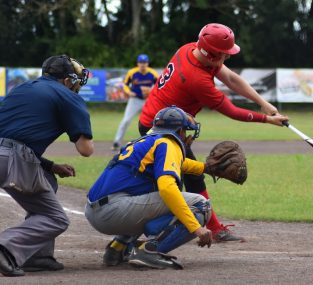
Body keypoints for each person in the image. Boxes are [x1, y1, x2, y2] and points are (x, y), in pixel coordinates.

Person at [137, 23, 288, 242]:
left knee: (188, 178)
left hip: (168, 126)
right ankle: (144, 237)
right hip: (159, 130)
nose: (227, 58)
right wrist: (266, 119)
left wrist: (263, 103)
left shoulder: (190, 49)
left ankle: (213, 228)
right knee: (172, 185)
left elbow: (232, 79)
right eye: (224, 55)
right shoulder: (197, 79)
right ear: (212, 55)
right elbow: (232, 111)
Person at [0, 55, 94, 277]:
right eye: (75, 79)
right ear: (67, 79)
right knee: (56, 219)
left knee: (48, 179)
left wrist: (50, 165)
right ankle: (6, 246)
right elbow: (86, 149)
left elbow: (10, 137)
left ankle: (38, 256)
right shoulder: (68, 96)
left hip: (8, 156)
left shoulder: (21, 89)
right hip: (13, 159)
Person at [85, 106, 212, 269]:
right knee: (200, 204)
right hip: (114, 210)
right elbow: (167, 187)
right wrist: (197, 229)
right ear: (179, 131)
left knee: (147, 192)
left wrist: (206, 168)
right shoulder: (168, 143)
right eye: (186, 131)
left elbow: (179, 164)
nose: (186, 136)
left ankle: (118, 248)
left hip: (97, 210)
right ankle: (149, 251)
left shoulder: (148, 141)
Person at [112, 54, 159, 151]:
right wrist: (129, 92)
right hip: (135, 100)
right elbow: (124, 85)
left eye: (144, 63)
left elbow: (158, 85)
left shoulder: (153, 73)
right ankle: (117, 142)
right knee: (126, 120)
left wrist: (152, 91)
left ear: (147, 63)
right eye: (141, 62)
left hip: (148, 100)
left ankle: (157, 142)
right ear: (138, 63)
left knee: (155, 121)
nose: (143, 65)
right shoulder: (132, 72)